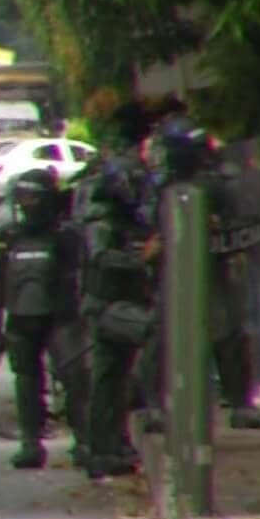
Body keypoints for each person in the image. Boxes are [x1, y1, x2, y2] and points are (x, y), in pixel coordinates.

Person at [151, 115, 260, 429]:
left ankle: (240, 403)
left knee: (227, 334)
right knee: (168, 337)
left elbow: (242, 226)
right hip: (177, 272)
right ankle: (166, 405)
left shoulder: (214, 185)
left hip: (213, 271)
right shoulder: (166, 185)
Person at [0, 170, 88, 469]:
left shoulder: (66, 237)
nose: (25, 205)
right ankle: (30, 442)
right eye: (21, 199)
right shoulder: (10, 238)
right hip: (21, 318)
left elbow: (83, 278)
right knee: (27, 382)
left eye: (31, 198)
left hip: (61, 316)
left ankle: (84, 441)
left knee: (73, 378)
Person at [81, 157, 155, 479]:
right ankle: (101, 449)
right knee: (107, 382)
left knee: (115, 382)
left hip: (121, 303)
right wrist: (140, 259)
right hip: (107, 307)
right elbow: (101, 257)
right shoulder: (101, 223)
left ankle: (114, 445)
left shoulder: (128, 222)